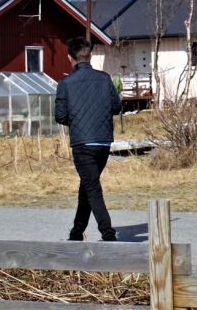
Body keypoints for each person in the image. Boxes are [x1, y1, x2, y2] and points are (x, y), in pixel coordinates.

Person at [54, 37, 123, 242]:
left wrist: (77, 122)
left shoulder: (65, 83)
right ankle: (76, 233)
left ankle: (108, 234)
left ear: (70, 57)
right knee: (88, 185)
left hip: (82, 143)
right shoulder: (104, 78)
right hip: (103, 142)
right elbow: (116, 106)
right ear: (90, 55)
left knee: (92, 187)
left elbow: (60, 116)